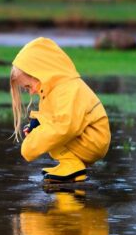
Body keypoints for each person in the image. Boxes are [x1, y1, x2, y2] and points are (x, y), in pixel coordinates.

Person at [10, 37, 111, 183]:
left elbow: (65, 127)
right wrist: (36, 125)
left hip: (93, 141)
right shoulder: (53, 89)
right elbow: (52, 116)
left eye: (28, 86)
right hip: (86, 138)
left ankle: (73, 167)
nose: (31, 92)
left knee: (53, 134)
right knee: (49, 132)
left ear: (39, 73)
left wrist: (31, 145)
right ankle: (70, 164)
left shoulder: (68, 88)